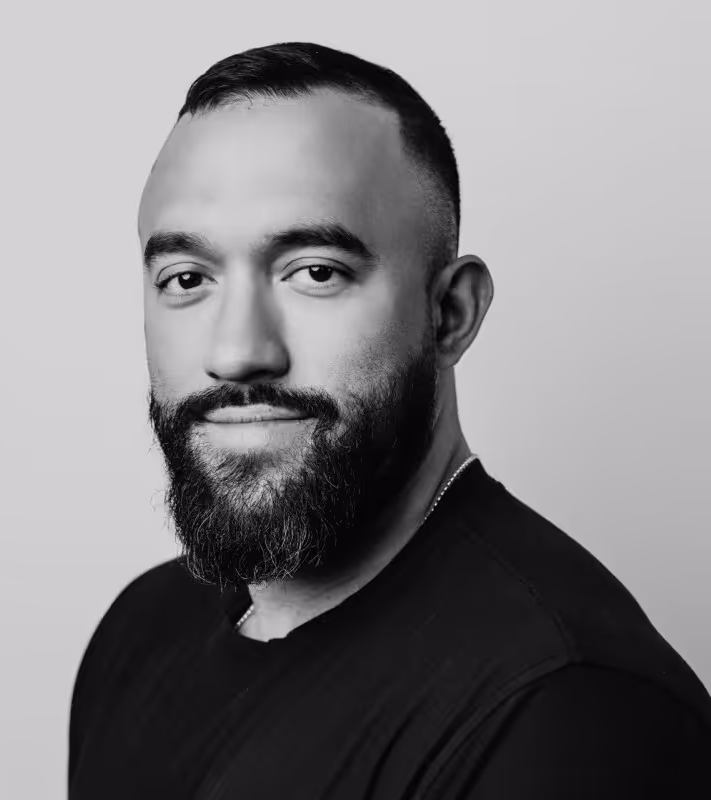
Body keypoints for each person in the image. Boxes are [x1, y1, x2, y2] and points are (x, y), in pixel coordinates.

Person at [68, 43, 711, 798]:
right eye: (187, 279)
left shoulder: (568, 709)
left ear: (451, 313)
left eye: (315, 272)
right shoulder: (142, 629)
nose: (237, 352)